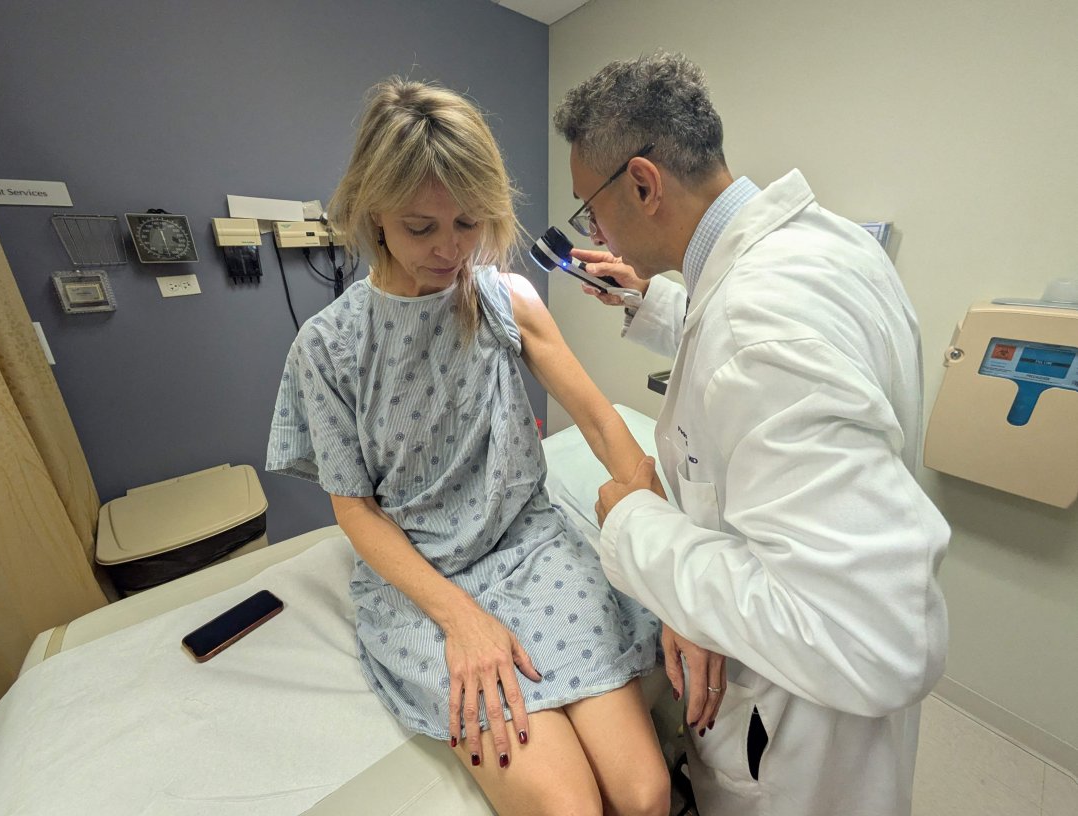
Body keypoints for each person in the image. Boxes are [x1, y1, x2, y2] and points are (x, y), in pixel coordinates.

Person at [553, 53, 950, 816]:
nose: (593, 231)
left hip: (798, 743)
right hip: (836, 729)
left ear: (643, 183)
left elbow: (875, 643)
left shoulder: (756, 328)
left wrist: (635, 523)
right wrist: (655, 306)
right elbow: (765, 360)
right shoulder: (828, 247)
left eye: (590, 208)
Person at [266, 78, 671, 816]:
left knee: (644, 796)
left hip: (529, 543)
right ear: (371, 212)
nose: (451, 250)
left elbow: (603, 420)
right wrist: (460, 617)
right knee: (570, 809)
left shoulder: (502, 297)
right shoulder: (325, 349)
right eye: (422, 228)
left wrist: (672, 558)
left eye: (468, 222)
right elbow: (354, 511)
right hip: (421, 576)